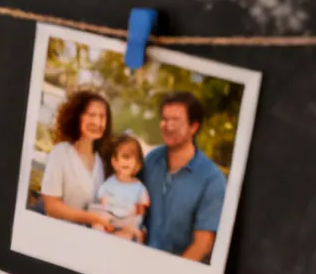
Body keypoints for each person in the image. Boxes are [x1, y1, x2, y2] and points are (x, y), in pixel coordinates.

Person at [139, 91, 226, 262]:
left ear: (193, 127)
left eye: (176, 120)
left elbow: (203, 244)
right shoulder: (151, 160)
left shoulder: (213, 180)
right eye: (164, 119)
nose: (168, 126)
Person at [37, 88, 112, 231]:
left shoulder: (100, 163)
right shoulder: (61, 153)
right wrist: (91, 217)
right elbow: (51, 207)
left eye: (102, 117)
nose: (97, 122)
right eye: (91, 115)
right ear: (78, 117)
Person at [91, 134, 150, 243]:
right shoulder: (110, 183)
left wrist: (135, 223)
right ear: (115, 162)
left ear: (138, 164)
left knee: (127, 235)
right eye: (124, 157)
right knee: (98, 225)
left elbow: (141, 211)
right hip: (110, 219)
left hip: (128, 222)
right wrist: (106, 214)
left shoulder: (139, 188)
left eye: (130, 158)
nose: (126, 161)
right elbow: (103, 201)